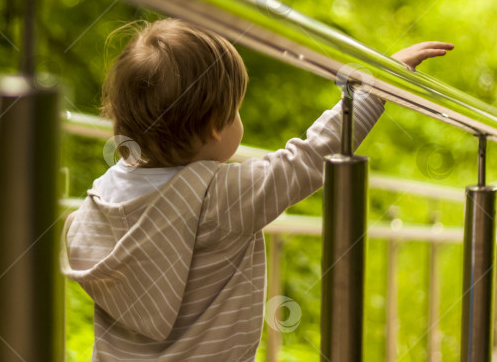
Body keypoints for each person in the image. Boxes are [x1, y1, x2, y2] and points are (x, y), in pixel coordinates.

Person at [61, 18, 453, 361]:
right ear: (216, 124)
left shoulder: (102, 197)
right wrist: (374, 89)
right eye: (235, 110)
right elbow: (310, 158)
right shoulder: (221, 196)